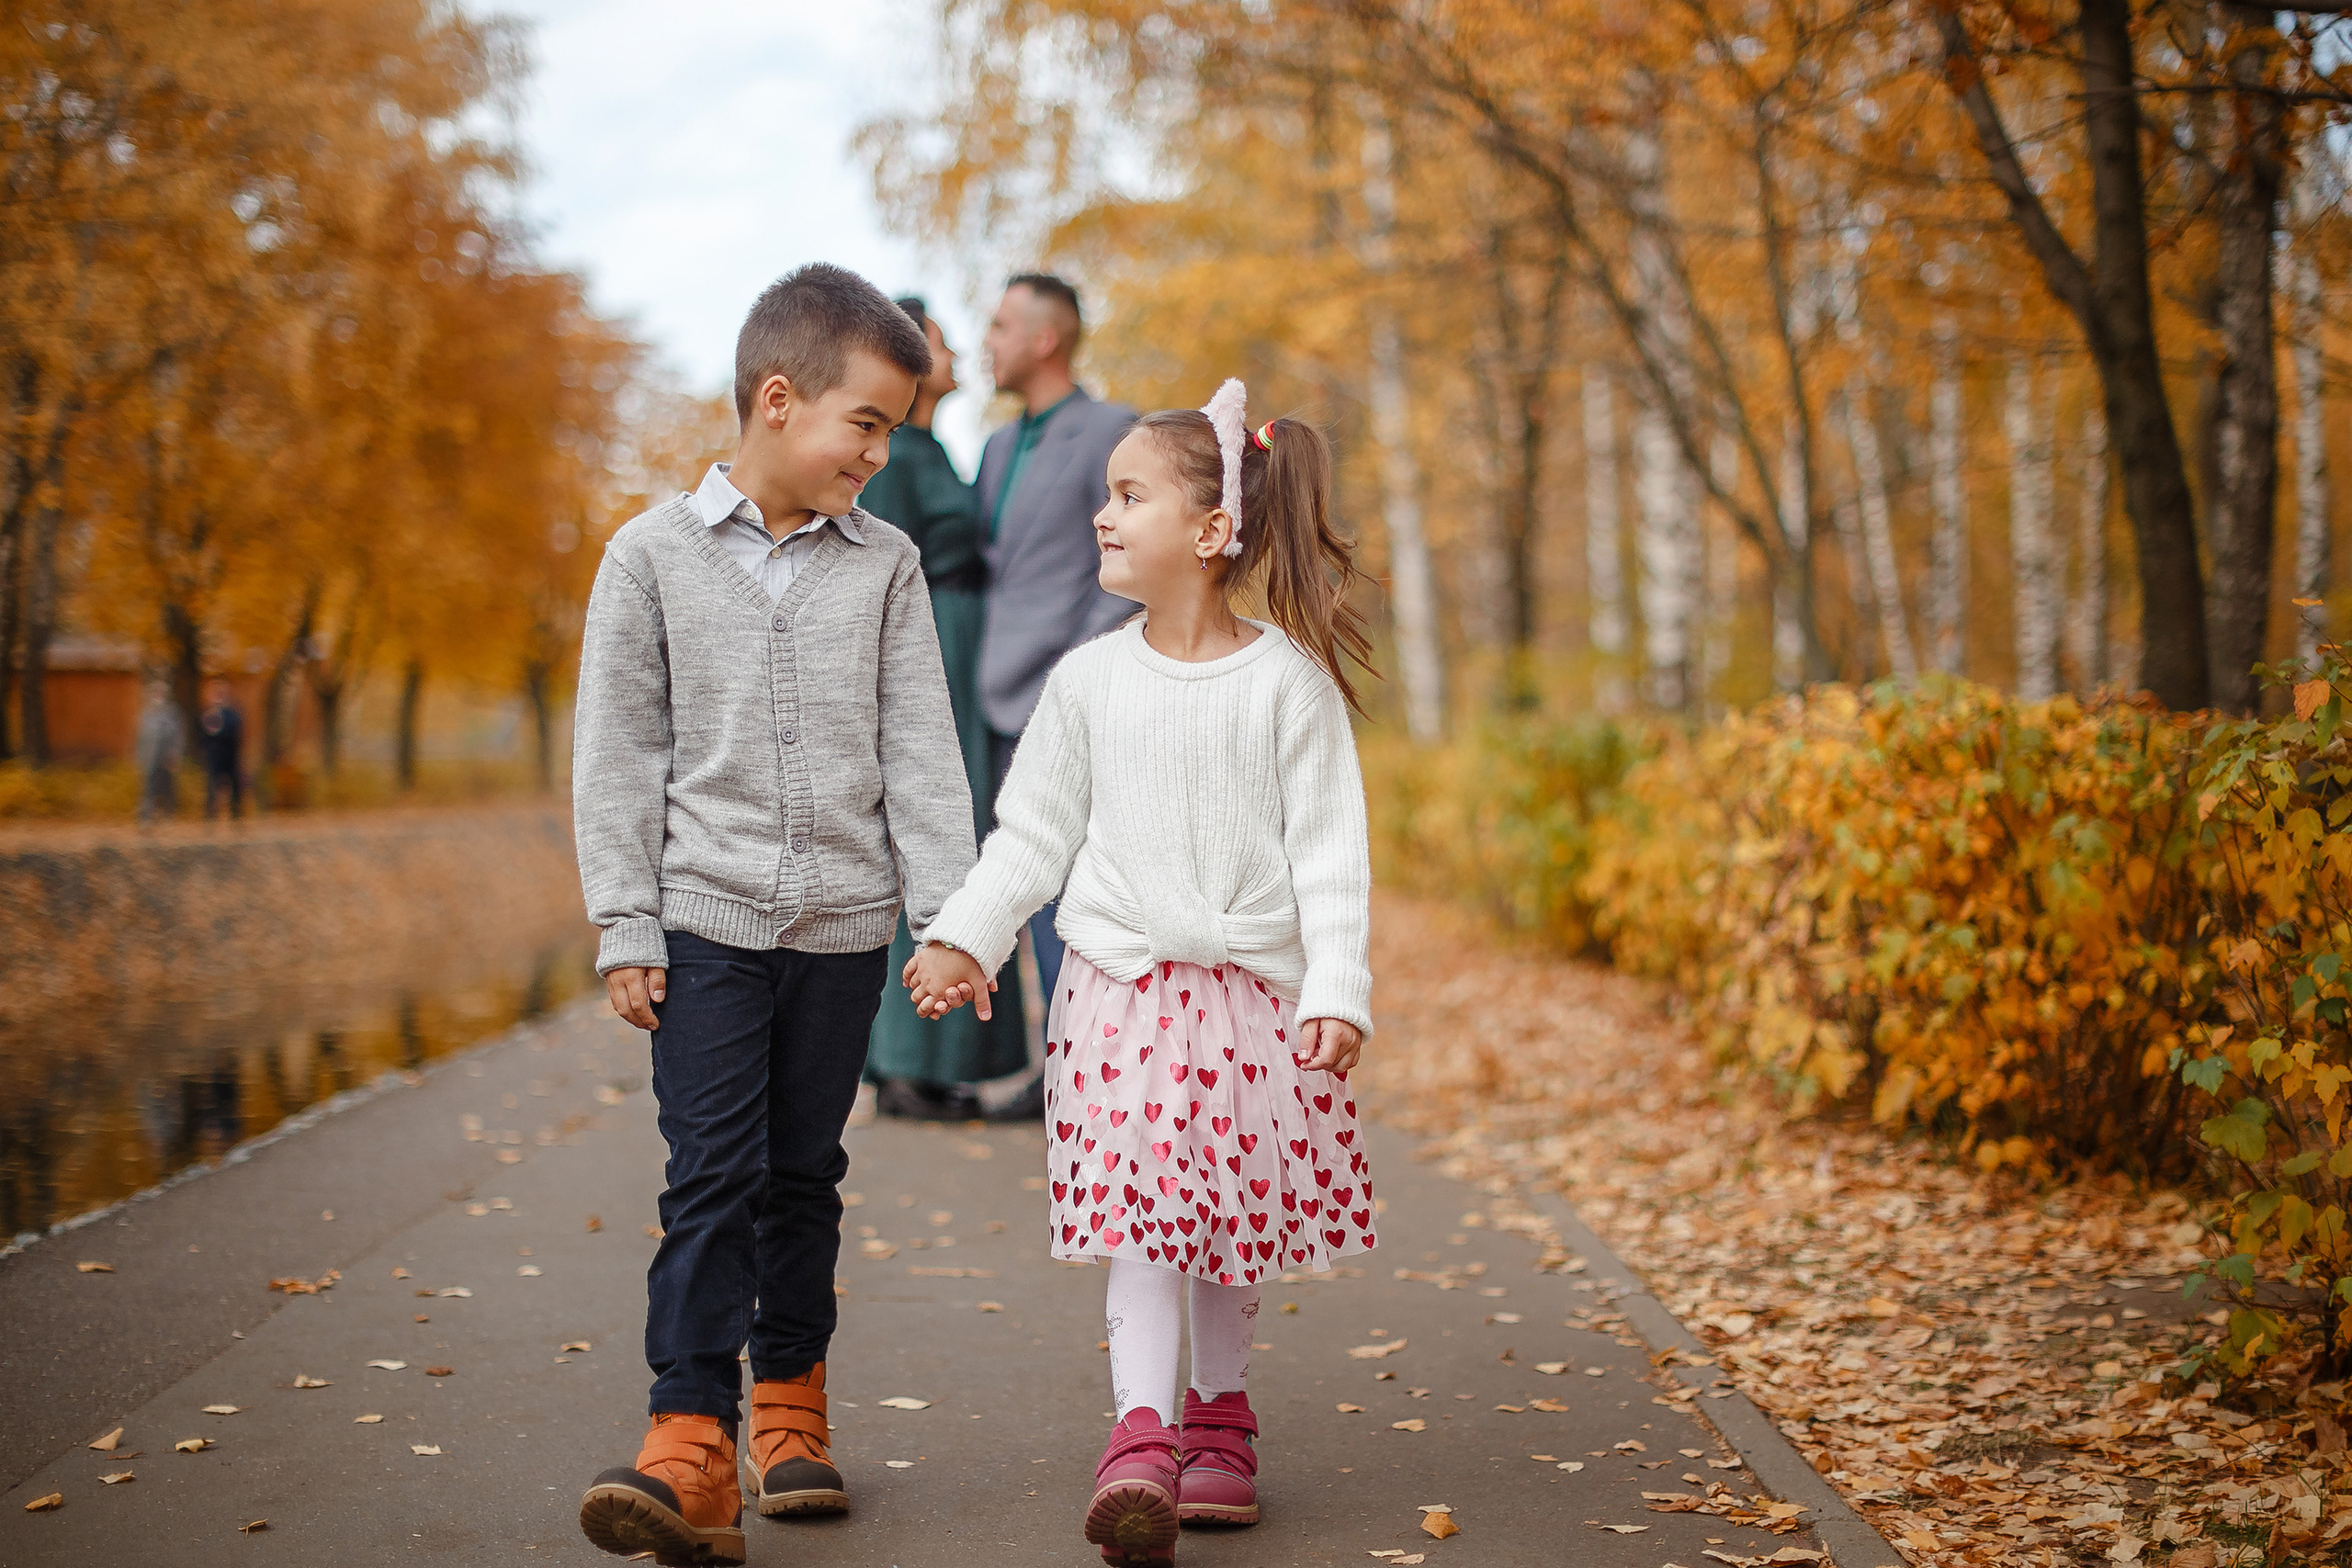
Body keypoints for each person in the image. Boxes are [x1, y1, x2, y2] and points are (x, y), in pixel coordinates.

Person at [909, 381, 1377, 1563]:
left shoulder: (1287, 686)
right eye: (1104, 496)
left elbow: (1331, 856)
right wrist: (970, 930)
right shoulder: (1086, 684)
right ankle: (1139, 1436)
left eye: (1129, 496)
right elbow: (1031, 837)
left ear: (1211, 533)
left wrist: (1336, 990)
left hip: (1249, 1005)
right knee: (1145, 1214)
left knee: (1224, 1221)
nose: (1101, 516)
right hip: (1117, 995)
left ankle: (1221, 1419)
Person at [571, 263, 973, 1568]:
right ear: (780, 398)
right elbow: (619, 754)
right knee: (713, 1174)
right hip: (707, 922)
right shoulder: (649, 558)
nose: (880, 450)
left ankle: (790, 1410)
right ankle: (687, 1437)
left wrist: (951, 917)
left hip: (846, 930)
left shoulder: (888, 565)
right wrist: (626, 919)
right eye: (867, 424)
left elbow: (922, 748)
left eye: (895, 431)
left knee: (804, 1173)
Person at [857, 298, 1031, 1121]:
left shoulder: (936, 450)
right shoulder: (892, 459)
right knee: (929, 838)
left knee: (965, 844)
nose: (957, 348)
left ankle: (947, 1061)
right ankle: (903, 1065)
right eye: (940, 338)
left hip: (967, 657)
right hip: (934, 655)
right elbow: (881, 584)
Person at [976, 274, 1136, 1022]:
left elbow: (1124, 572)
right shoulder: (998, 444)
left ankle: (1102, 1077)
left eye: (1003, 325)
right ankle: (1063, 1073)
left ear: (1045, 339)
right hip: (994, 704)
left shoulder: (1113, 429)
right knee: (1018, 890)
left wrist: (1076, 681)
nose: (989, 341)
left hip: (1069, 700)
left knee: (1078, 898)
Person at [133, 676, 183, 825]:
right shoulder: (146, 715)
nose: (158, 697)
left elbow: (178, 737)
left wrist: (175, 754)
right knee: (148, 788)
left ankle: (167, 816)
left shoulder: (173, 713)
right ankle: (146, 817)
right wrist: (139, 758)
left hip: (166, 758)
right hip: (150, 758)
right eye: (155, 693)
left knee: (167, 788)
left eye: (161, 694)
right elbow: (140, 738)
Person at [198, 679, 243, 819]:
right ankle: (210, 815)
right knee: (211, 785)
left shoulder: (232, 714)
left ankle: (235, 815)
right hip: (214, 755)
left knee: (234, 785)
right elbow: (202, 734)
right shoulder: (208, 713)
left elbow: (236, 731)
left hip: (230, 754)